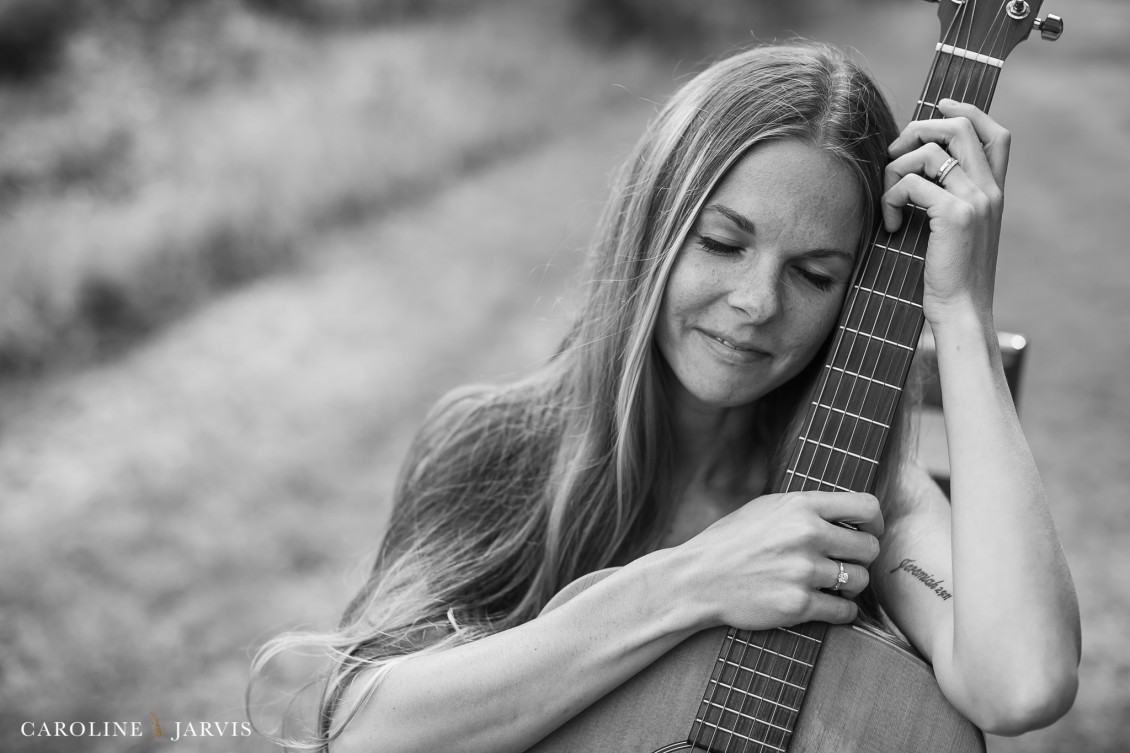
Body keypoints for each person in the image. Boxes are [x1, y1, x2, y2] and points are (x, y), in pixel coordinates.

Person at [252, 42, 1080, 752]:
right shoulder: (495, 445)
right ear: (653, 228)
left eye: (815, 274)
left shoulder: (863, 502)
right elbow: (360, 727)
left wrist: (961, 309)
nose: (757, 302)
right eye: (723, 242)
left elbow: (1023, 684)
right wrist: (687, 581)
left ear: (853, 294)